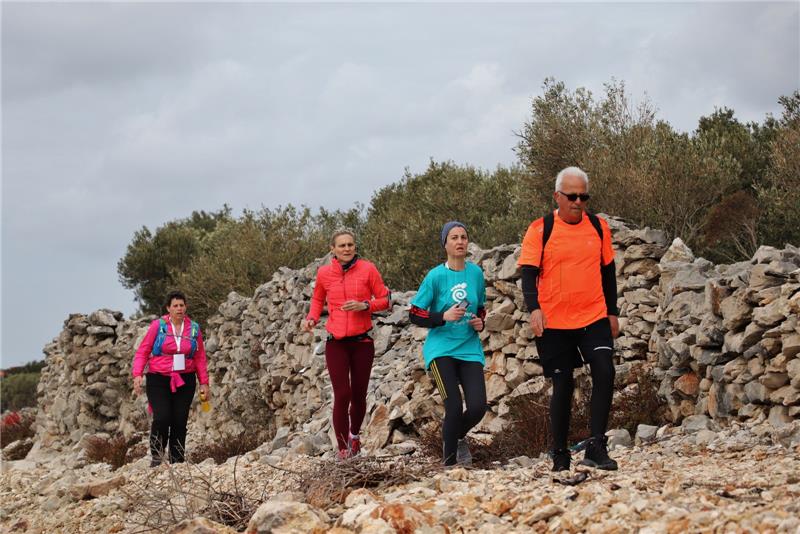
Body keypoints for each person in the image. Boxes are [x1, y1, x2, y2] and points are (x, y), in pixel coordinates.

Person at [518, 166, 620, 472]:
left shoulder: (599, 227)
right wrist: (534, 308)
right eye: (572, 196)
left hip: (593, 316)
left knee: (605, 371)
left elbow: (608, 273)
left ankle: (596, 446)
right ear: (557, 197)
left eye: (584, 196)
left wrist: (612, 312)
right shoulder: (540, 229)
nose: (578, 202)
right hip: (554, 322)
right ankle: (560, 453)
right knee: (563, 383)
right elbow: (528, 274)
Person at [302, 229, 390, 460]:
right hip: (336, 342)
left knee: (359, 395)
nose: (347, 249)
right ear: (333, 249)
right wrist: (312, 317)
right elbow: (318, 298)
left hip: (362, 341)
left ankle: (354, 435)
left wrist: (365, 305)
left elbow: (385, 299)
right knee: (342, 394)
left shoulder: (368, 269)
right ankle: (342, 450)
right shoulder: (324, 273)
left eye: (350, 244)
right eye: (342, 245)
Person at [409, 222, 487, 466]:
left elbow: (481, 308)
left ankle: (459, 436)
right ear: (445, 244)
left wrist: (479, 323)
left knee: (478, 407)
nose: (460, 241)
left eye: (464, 237)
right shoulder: (435, 277)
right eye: (454, 237)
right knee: (453, 405)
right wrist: (442, 317)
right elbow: (414, 313)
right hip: (440, 350)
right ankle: (450, 463)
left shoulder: (475, 273)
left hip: (469, 349)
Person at [132, 290, 210, 466]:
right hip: (158, 379)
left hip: (185, 379)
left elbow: (200, 357)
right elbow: (143, 351)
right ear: (168, 308)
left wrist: (204, 382)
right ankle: (157, 457)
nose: (179, 309)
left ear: (186, 307)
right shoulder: (157, 326)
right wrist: (137, 374)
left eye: (182, 305)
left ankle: (177, 460)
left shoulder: (194, 328)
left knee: (179, 419)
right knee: (162, 417)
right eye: (175, 306)